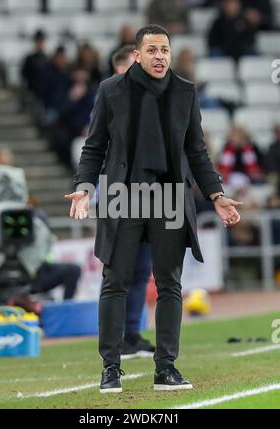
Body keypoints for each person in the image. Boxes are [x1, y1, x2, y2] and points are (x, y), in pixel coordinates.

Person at [65, 25, 242, 393]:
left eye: (165, 50)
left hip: (170, 196)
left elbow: (197, 151)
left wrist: (215, 194)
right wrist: (84, 187)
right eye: (153, 50)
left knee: (170, 284)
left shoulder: (185, 92)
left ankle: (166, 369)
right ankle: (110, 369)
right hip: (122, 195)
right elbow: (94, 146)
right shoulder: (111, 90)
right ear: (138, 54)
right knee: (114, 282)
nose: (160, 56)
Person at [111, 45, 155, 359]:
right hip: (121, 195)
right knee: (119, 272)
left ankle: (131, 334)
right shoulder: (110, 100)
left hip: (149, 195)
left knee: (141, 271)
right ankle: (116, 339)